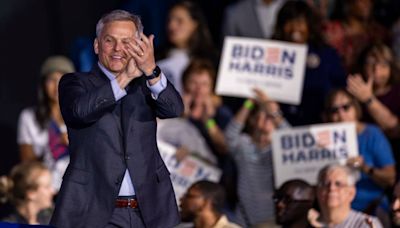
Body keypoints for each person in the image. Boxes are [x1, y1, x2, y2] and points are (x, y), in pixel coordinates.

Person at [50, 9, 184, 228]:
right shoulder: (75, 82)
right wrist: (125, 77)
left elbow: (174, 109)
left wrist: (150, 69)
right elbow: (80, 112)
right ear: (96, 45)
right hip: (95, 213)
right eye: (109, 41)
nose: (118, 49)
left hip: (150, 211)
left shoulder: (146, 84)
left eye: (127, 42)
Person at [272, 0, 346, 126]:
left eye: (300, 22)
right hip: (278, 126)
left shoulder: (326, 54)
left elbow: (341, 90)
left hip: (321, 125)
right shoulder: (270, 54)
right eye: (289, 22)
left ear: (309, 26)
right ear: (281, 26)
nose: (295, 28)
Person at [323, 88, 396, 216]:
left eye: (346, 107)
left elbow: (390, 178)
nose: (341, 114)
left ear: (355, 108)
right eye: (334, 110)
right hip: (335, 211)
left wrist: (365, 168)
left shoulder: (372, 134)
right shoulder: (322, 138)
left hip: (371, 208)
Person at [224, 88, 289, 227]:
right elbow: (230, 135)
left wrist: (273, 111)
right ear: (253, 120)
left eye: (270, 116)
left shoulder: (280, 149)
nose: (267, 118)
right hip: (243, 219)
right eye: (263, 114)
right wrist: (249, 104)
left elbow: (292, 141)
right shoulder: (244, 143)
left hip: (272, 221)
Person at [17, 55, 74, 192]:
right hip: (45, 193)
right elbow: (27, 165)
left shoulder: (81, 115)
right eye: (51, 80)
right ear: (43, 84)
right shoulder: (29, 117)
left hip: (77, 190)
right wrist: (53, 145)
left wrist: (76, 143)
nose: (57, 85)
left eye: (62, 79)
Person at [347, 44, 400, 173]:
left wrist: (368, 99)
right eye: (371, 64)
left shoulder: (398, 92)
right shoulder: (353, 91)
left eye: (383, 65)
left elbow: (394, 129)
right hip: (356, 161)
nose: (376, 71)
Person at [156, 0, 217, 95]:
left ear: (194, 24)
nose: (171, 26)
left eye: (179, 21)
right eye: (169, 20)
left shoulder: (210, 59)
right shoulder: (156, 55)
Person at [312, 164, 382, 227]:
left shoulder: (367, 224)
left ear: (351, 193)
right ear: (317, 191)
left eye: (338, 184)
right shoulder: (304, 223)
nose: (331, 188)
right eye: (326, 184)